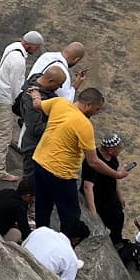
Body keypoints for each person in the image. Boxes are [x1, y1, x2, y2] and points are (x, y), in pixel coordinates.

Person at [26, 84, 111, 231]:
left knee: (42, 206)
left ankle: (39, 237)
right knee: (70, 216)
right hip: (62, 174)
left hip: (40, 162)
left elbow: (37, 105)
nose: (96, 113)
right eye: (96, 109)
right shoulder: (84, 125)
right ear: (87, 105)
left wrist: (35, 94)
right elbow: (93, 161)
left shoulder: (60, 103)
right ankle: (67, 244)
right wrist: (117, 174)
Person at [0, 30, 43, 176]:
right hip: (6, 99)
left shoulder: (12, 47)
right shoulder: (18, 60)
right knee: (4, 135)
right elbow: (16, 86)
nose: (37, 50)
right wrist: (21, 103)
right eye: (36, 47)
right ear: (28, 44)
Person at [22, 218, 90, 280]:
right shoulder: (71, 257)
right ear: (76, 240)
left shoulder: (42, 230)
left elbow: (22, 247)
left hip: (19, 265)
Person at [81, 131, 128, 245]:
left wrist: (119, 197)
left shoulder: (113, 159)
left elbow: (113, 177)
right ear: (110, 150)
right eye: (118, 148)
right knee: (103, 222)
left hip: (110, 195)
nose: (120, 151)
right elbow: (88, 187)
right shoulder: (93, 160)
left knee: (118, 217)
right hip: (98, 197)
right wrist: (93, 211)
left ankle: (116, 241)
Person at [0, 177, 34, 243]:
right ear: (28, 196)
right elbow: (25, 233)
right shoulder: (19, 207)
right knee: (17, 234)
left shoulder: (5, 191)